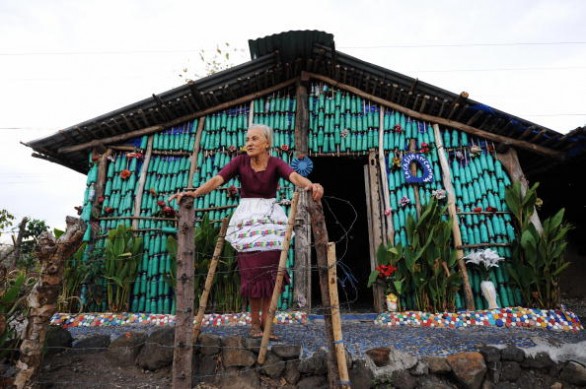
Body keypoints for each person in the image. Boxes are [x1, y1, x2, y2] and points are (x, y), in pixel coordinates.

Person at [169, 123, 323, 339]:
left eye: (254, 139)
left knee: (272, 275)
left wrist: (312, 185)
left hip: (270, 224)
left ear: (267, 143)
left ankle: (267, 327)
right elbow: (217, 179)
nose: (249, 143)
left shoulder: (276, 163)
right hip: (247, 223)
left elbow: (295, 177)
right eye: (247, 139)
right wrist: (195, 193)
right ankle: (254, 326)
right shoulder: (240, 162)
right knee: (251, 274)